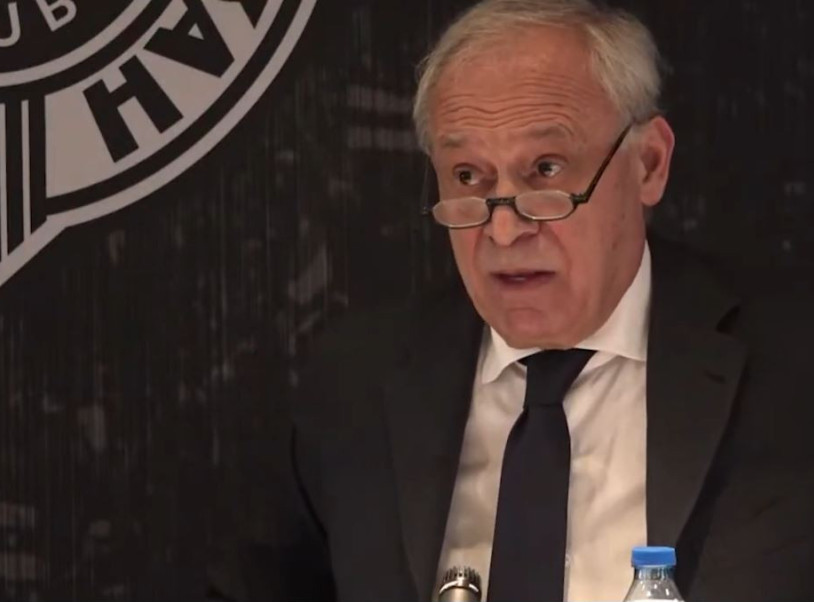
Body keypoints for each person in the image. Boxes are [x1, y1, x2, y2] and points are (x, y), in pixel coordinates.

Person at [208, 0, 814, 600]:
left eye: (546, 169)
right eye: (468, 177)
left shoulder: (792, 369)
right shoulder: (354, 387)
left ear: (648, 164)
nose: (503, 231)